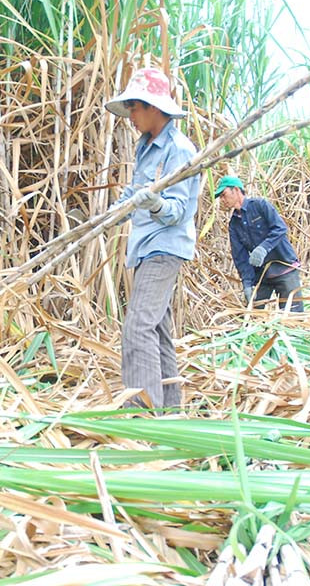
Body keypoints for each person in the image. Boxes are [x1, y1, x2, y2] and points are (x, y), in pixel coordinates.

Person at [104, 67, 200, 412]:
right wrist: (113, 214)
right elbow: (135, 193)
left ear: (153, 108)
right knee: (156, 329)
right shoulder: (147, 146)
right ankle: (171, 410)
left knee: (137, 327)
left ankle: (141, 411)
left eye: (134, 107)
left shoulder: (179, 149)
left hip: (165, 247)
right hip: (145, 247)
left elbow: (176, 210)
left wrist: (155, 202)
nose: (130, 115)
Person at [215, 175, 304, 312]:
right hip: (263, 275)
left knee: (293, 317)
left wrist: (263, 248)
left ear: (237, 190)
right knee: (254, 316)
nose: (222, 200)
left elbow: (280, 229)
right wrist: (247, 284)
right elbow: (240, 257)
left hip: (284, 268)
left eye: (224, 194)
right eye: (220, 197)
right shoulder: (234, 224)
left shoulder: (260, 206)